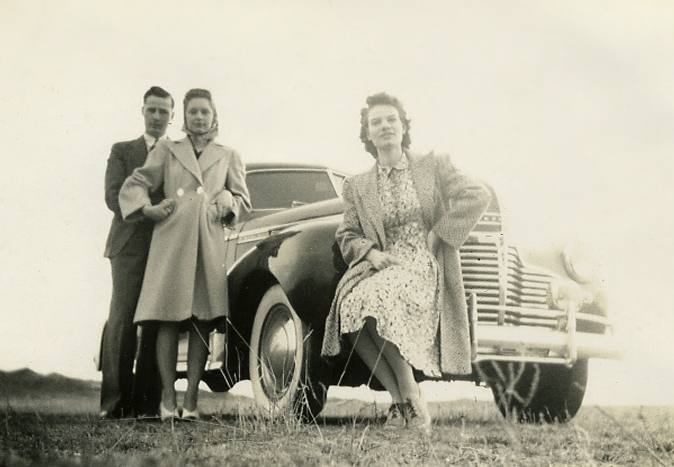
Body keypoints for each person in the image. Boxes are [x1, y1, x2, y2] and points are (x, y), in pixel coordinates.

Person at [321, 92, 491, 432]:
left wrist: (439, 233)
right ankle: (401, 401)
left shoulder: (432, 164)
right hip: (382, 264)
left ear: (403, 126)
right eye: (376, 122)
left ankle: (409, 395)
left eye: (391, 120)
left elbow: (478, 195)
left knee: (376, 300)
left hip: (423, 262)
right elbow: (347, 234)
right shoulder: (358, 185)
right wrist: (371, 252)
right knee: (351, 309)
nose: (384, 126)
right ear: (367, 134)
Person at [119, 88, 251, 421]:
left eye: (204, 111)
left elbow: (243, 201)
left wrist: (227, 202)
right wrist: (147, 209)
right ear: (185, 117)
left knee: (200, 322)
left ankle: (191, 401)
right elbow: (138, 181)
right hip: (171, 238)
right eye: (192, 111)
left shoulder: (229, 154)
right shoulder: (166, 149)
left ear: (214, 115)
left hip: (207, 241)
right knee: (167, 319)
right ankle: (167, 399)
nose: (198, 117)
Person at [100, 86, 175, 420]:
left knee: (156, 322)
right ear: (142, 111)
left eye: (164, 112)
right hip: (129, 245)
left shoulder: (177, 154)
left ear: (173, 116)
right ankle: (114, 405)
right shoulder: (122, 150)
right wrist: (149, 210)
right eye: (152, 110)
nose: (157, 117)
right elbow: (113, 196)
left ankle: (146, 407)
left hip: (165, 246)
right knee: (123, 320)